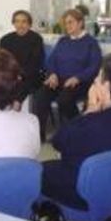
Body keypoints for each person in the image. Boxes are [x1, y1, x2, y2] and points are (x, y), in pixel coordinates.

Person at [42, 54, 111, 209]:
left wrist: (89, 110)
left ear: (106, 87)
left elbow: (58, 141)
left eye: (97, 80)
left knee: (32, 171)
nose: (94, 84)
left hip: (84, 195)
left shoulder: (91, 124)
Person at [33, 9, 102, 141]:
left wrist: (78, 78)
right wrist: (52, 74)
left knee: (64, 100)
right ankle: (40, 136)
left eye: (71, 22)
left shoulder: (91, 43)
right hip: (58, 80)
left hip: (80, 82)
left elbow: (94, 67)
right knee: (40, 96)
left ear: (80, 23)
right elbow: (51, 61)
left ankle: (75, 130)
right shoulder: (63, 41)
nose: (67, 26)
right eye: (66, 23)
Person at [0, 10, 44, 110]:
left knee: (21, 86)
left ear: (29, 24)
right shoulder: (5, 39)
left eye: (24, 21)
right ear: (13, 23)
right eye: (17, 21)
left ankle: (16, 106)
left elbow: (36, 63)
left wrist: (20, 75)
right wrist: (11, 74)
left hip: (31, 75)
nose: (20, 24)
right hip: (11, 75)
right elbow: (2, 61)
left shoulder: (36, 39)